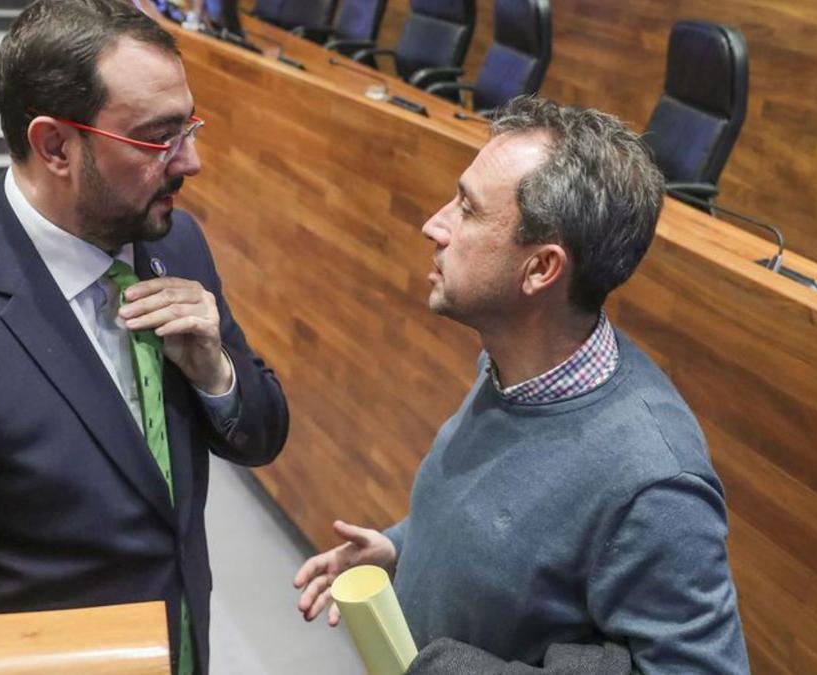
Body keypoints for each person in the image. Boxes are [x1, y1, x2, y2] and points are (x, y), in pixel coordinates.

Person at [0, 2, 288, 674]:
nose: (194, 161)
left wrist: (216, 373)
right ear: (55, 146)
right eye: (160, 137)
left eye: (191, 127)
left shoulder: (175, 241)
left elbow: (263, 434)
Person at [294, 95, 749, 674]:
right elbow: (505, 522)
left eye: (467, 209)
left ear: (540, 270)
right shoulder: (515, 363)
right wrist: (404, 550)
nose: (434, 225)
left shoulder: (655, 482)